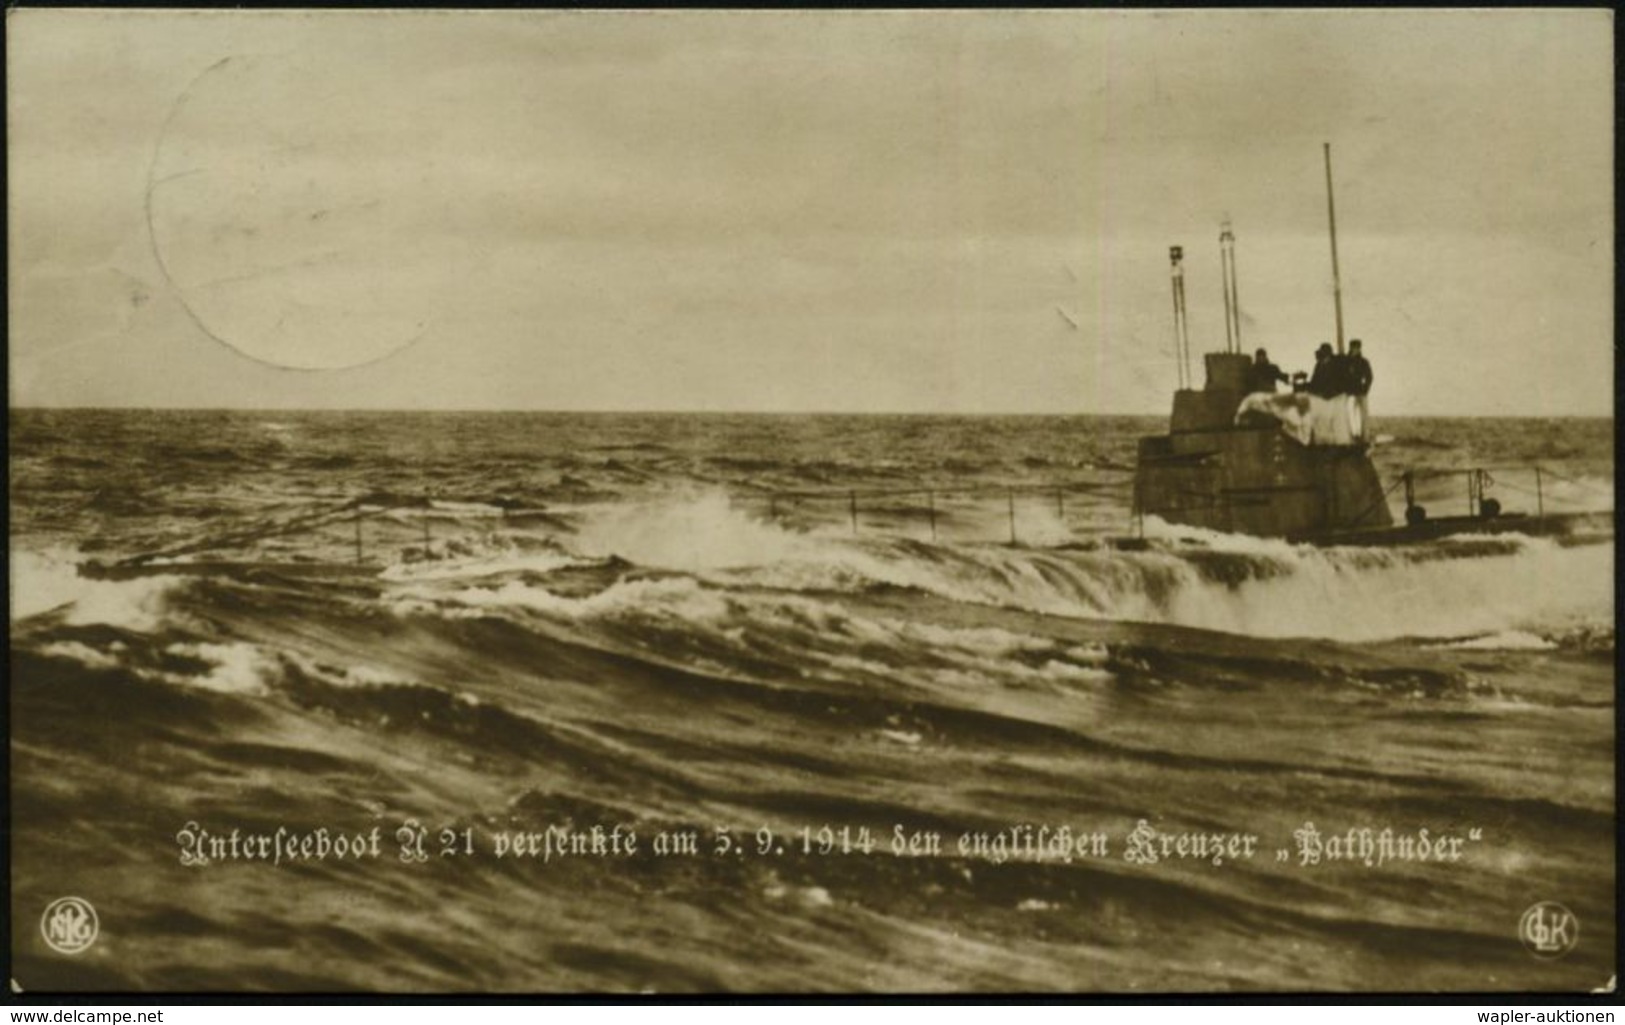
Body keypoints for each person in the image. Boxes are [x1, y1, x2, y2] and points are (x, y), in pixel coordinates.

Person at [1346, 339, 1374, 438]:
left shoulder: (1363, 362)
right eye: (1353, 348)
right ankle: (1354, 435)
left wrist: (1365, 389)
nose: (1354, 350)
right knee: (1351, 413)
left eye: (1356, 348)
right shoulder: (1346, 361)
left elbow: (1369, 377)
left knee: (1362, 415)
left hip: (1360, 391)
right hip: (1350, 392)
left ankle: (1363, 435)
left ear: (1359, 349)